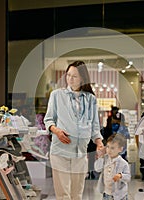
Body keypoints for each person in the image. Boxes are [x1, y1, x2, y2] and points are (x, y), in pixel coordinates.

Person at [44, 60, 104, 200]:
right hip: (60, 152)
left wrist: (99, 142)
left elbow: (95, 126)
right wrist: (56, 131)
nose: (70, 79)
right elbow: (48, 120)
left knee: (77, 194)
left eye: (74, 76)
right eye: (68, 75)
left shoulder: (91, 99)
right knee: (63, 195)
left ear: (82, 78)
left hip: (80, 154)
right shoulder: (57, 95)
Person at [94, 133, 131, 200]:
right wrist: (100, 157)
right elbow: (97, 169)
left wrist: (121, 176)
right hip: (106, 193)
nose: (109, 150)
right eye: (107, 147)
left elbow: (128, 177)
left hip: (119, 195)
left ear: (120, 149)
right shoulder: (105, 159)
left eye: (112, 148)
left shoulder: (123, 163)